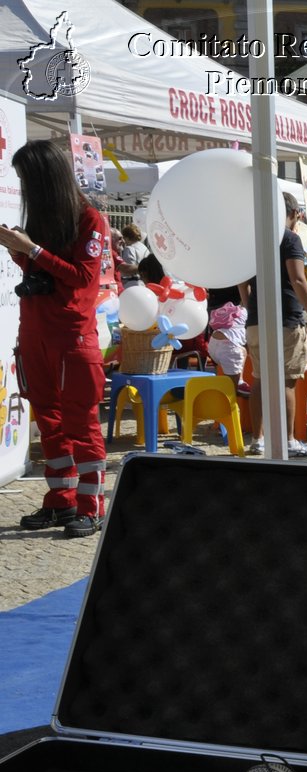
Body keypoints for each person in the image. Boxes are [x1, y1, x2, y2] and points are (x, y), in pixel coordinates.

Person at [2, 140, 109, 538]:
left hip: (72, 339)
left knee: (81, 423)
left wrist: (32, 248)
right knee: (49, 423)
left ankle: (91, 505)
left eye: (27, 180)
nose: (24, 189)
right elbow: (41, 271)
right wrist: (19, 248)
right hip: (34, 335)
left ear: (46, 179)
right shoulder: (45, 220)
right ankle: (60, 502)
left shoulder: (90, 219)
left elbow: (82, 276)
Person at [241, 192, 307, 458]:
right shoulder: (289, 239)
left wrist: (248, 304)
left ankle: (258, 438)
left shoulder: (254, 239)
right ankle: (288, 440)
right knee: (287, 382)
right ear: (293, 213)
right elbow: (298, 280)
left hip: (256, 318)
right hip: (286, 316)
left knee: (259, 379)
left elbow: (241, 277)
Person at [117, 224, 148, 288]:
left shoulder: (129, 249)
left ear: (127, 238)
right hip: (143, 283)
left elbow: (128, 269)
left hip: (131, 284)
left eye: (123, 238)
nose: (123, 240)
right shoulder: (144, 247)